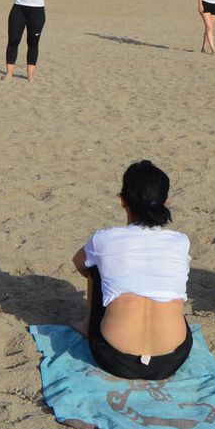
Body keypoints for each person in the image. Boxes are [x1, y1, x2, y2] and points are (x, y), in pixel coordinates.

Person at [71, 160, 193, 379]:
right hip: (171, 359)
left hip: (114, 357)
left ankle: (88, 324)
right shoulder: (180, 241)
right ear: (165, 202)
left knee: (95, 267)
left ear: (122, 200)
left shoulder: (104, 239)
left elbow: (79, 263)